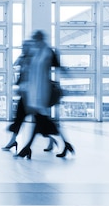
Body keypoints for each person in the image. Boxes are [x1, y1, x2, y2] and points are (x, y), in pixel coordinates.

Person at [14, 30, 74, 159]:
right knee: (41, 120)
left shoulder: (48, 52)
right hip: (33, 91)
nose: (35, 41)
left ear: (41, 39)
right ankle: (66, 144)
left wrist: (69, 75)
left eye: (36, 39)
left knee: (41, 120)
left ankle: (27, 148)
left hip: (42, 91)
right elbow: (25, 68)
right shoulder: (34, 53)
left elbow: (58, 66)